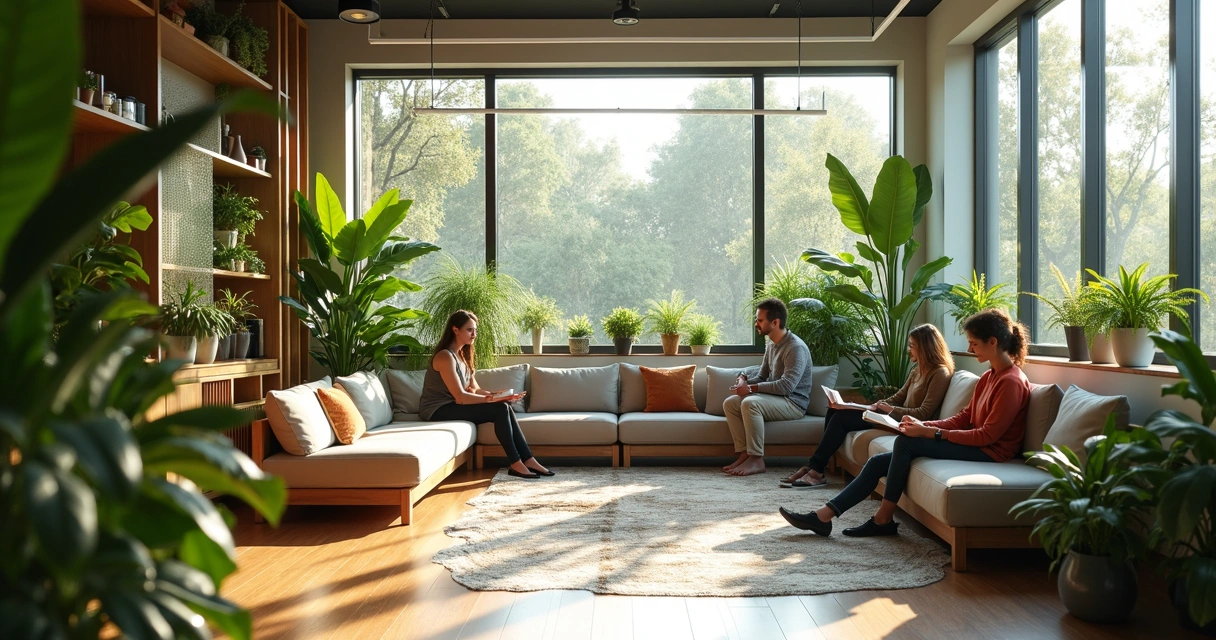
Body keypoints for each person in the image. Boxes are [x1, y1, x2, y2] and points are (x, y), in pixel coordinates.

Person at [778, 308, 1031, 537]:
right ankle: (824, 516)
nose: (970, 347)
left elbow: (987, 436)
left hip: (990, 453)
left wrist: (930, 433)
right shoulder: (989, 376)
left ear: (993, 342)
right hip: (977, 444)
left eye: (974, 343)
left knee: (907, 443)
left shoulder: (1011, 382)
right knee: (879, 461)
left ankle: (883, 519)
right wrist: (928, 428)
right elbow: (965, 417)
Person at [780, 324, 955, 489]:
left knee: (842, 419)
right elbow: (899, 397)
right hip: (892, 417)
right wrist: (877, 405)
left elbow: (924, 413)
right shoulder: (917, 370)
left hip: (907, 425)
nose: (909, 349)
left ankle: (816, 470)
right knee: (835, 409)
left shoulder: (940, 373)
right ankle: (816, 466)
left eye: (912, 345)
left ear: (925, 348)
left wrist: (890, 410)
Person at [418, 310, 552, 479]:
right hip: (437, 410)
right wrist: (492, 400)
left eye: (475, 330)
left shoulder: (462, 356)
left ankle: (528, 459)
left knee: (504, 406)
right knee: (499, 408)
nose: (474, 334)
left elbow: (474, 389)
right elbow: (461, 396)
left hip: (453, 405)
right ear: (455, 330)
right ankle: (516, 462)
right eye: (469, 330)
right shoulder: (445, 356)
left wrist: (497, 394)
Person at [722, 298, 815, 477]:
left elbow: (787, 386)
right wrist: (744, 379)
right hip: (776, 399)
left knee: (750, 404)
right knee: (730, 403)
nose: (756, 323)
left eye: (760, 320)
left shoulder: (795, 348)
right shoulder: (771, 343)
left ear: (775, 322)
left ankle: (757, 459)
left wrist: (750, 390)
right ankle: (745, 454)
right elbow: (762, 376)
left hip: (793, 403)